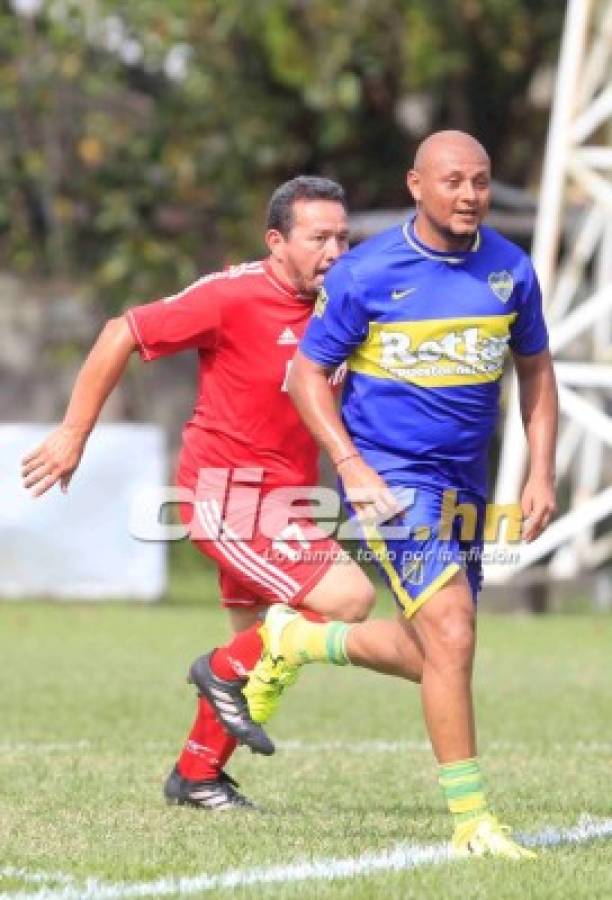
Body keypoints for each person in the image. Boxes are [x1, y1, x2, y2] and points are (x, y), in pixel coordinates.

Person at [21, 176, 422, 810]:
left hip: (289, 501)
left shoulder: (344, 305)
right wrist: (74, 434)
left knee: (263, 656)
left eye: (344, 237)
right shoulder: (232, 295)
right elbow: (120, 331)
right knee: (346, 598)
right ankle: (219, 669)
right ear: (276, 241)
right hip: (227, 495)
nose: (336, 251)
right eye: (320, 238)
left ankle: (197, 776)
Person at [244, 131, 558, 857]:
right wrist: (350, 465)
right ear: (416, 184)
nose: (470, 196)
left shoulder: (511, 271)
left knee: (437, 653)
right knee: (452, 631)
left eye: (481, 182)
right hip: (388, 481)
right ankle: (472, 822)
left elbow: (537, 373)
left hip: (465, 487)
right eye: (454, 182)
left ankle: (297, 639)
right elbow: (305, 376)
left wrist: (540, 471)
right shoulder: (365, 272)